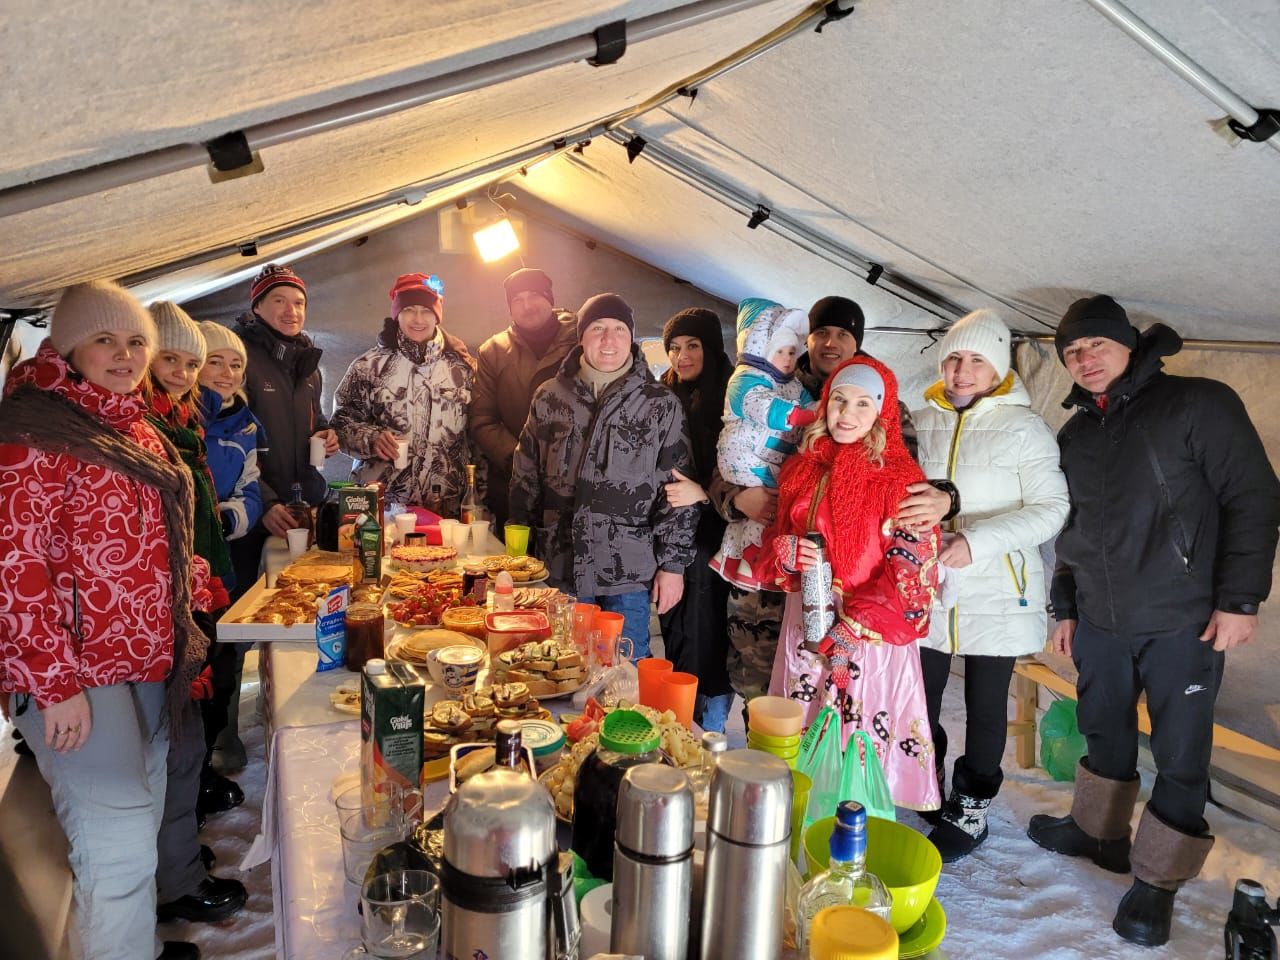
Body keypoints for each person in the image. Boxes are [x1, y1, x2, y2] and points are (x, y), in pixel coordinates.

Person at [1026, 295, 1280, 947]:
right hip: (1103, 621)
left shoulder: (1198, 405)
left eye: (1095, 345)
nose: (1084, 359)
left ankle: (1157, 881)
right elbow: (1067, 529)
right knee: (1102, 728)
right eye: (1071, 352)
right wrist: (1065, 606)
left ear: (1129, 345)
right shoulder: (1076, 436)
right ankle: (1098, 830)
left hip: (1185, 621)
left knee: (1180, 752)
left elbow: (1254, 498)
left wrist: (1240, 600)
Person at [0, 280, 206, 960]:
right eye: (105, 340)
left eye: (137, 342)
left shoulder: (132, 425)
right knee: (115, 847)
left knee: (138, 828)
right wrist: (53, 683)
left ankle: (133, 947)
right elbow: (13, 564)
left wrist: (192, 584)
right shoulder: (34, 428)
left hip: (142, 656)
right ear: (68, 344)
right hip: (74, 673)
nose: (125, 355)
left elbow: (153, 536)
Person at [710, 294, 958, 708]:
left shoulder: (883, 402)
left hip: (859, 605)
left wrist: (947, 498)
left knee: (855, 721)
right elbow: (727, 459)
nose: (830, 342)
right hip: (774, 582)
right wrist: (739, 500)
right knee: (765, 697)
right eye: (821, 331)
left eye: (843, 333)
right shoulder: (775, 384)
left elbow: (906, 488)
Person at [911, 309, 1069, 861]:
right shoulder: (918, 419)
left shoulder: (1025, 427)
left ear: (997, 367)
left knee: (984, 706)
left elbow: (1052, 510)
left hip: (998, 587)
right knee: (918, 698)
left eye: (976, 359)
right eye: (954, 357)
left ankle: (972, 806)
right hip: (927, 587)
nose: (962, 370)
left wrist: (974, 540)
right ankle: (925, 779)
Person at [760, 356, 941, 811]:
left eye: (863, 404)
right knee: (803, 735)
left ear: (882, 413)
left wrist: (853, 628)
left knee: (855, 739)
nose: (846, 413)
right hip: (806, 626)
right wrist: (785, 553)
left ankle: (854, 840)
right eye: (839, 399)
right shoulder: (802, 470)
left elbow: (914, 572)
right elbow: (774, 545)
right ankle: (799, 821)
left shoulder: (901, 482)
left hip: (868, 638)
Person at [509, 293, 698, 656]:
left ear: (632, 337)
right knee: (558, 668)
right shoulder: (550, 397)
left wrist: (673, 566)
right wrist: (518, 554)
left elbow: (679, 489)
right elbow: (524, 477)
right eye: (597, 329)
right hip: (558, 564)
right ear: (581, 337)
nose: (608, 340)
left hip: (627, 572)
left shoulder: (660, 403)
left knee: (625, 678)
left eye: (618, 329)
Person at [144, 304, 248, 925]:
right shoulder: (142, 430)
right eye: (174, 359)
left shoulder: (175, 421)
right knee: (175, 745)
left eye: (192, 361)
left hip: (195, 594)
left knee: (185, 741)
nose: (184, 372)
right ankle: (173, 880)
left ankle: (177, 866)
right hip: (159, 616)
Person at [331, 273, 474, 511]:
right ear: (397, 314)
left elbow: (476, 437)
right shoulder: (368, 366)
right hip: (381, 504)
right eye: (409, 309)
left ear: (437, 316)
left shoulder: (463, 369)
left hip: (445, 506)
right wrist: (372, 438)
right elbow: (339, 424)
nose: (418, 319)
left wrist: (479, 498)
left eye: (426, 311)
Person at [658, 308, 737, 731]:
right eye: (673, 347)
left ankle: (711, 725)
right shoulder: (663, 393)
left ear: (711, 347)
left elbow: (747, 468)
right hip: (672, 535)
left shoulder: (732, 395)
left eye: (692, 346)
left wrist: (704, 494)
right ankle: (680, 715)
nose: (681, 356)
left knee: (709, 630)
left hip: (719, 534)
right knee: (677, 624)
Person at [231, 264, 337, 575]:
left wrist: (325, 433)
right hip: (256, 513)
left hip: (301, 505)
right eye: (279, 300)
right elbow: (229, 442)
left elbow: (314, 418)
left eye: (299, 302)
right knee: (253, 608)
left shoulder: (307, 364)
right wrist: (263, 503)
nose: (291, 310)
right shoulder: (239, 360)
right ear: (258, 306)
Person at [196, 320, 266, 774]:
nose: (225, 372)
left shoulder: (244, 425)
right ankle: (198, 766)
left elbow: (250, 488)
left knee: (220, 659)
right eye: (213, 361)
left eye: (234, 364)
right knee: (193, 668)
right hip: (180, 566)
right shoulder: (181, 418)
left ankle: (214, 752)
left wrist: (226, 518)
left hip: (219, 556)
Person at [710, 298, 815, 590]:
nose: (787, 358)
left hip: (771, 461)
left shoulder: (794, 384)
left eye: (792, 352)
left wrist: (820, 409)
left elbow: (808, 402)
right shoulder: (746, 379)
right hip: (746, 458)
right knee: (765, 515)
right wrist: (806, 415)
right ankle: (750, 560)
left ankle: (749, 559)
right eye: (779, 351)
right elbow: (764, 406)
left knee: (769, 515)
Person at [470, 268, 577, 530]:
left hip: (573, 481)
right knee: (516, 564)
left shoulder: (581, 340)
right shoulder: (493, 351)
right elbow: (482, 418)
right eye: (517, 299)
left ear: (549, 299)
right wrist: (520, 461)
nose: (526, 305)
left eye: (534, 296)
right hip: (513, 483)